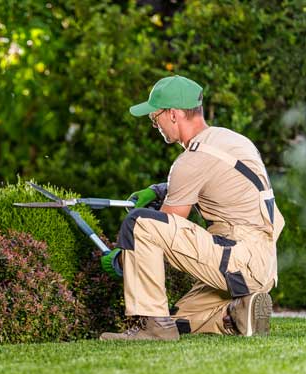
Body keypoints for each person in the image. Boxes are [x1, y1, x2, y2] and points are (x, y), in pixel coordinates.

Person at [100, 75, 284, 341]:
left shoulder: (192, 160)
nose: (154, 124)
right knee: (176, 317)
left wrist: (121, 258)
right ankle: (234, 314)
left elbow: (166, 228)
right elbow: (217, 182)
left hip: (238, 260)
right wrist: (160, 190)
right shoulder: (228, 140)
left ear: (173, 114)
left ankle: (155, 330)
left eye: (155, 116)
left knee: (139, 223)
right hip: (261, 264)